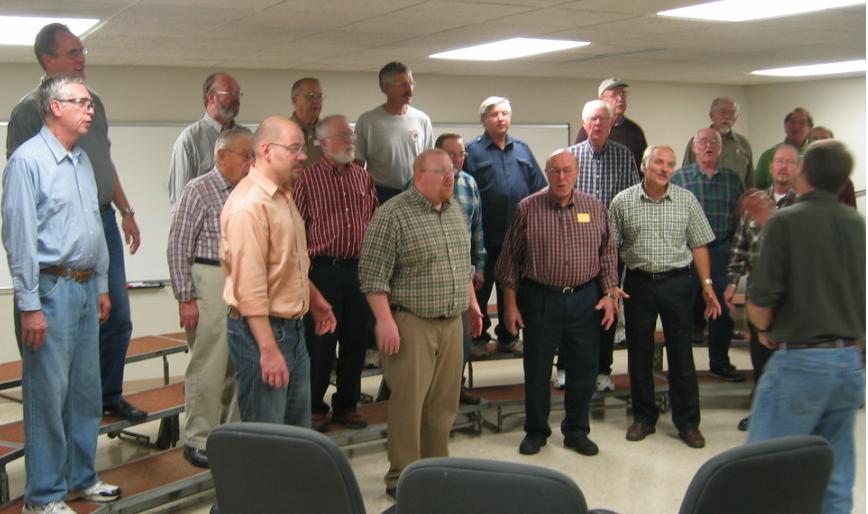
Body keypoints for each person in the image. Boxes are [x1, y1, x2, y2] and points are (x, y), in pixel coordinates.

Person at [6, 22, 146, 422]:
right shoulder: (27, 111)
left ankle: (108, 395)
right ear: (48, 60)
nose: (81, 58)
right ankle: (66, 410)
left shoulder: (93, 102)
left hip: (100, 220)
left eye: (82, 51)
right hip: (59, 230)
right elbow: (27, 181)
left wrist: (127, 210)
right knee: (54, 334)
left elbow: (103, 160)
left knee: (117, 316)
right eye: (72, 52)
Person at [3, 74, 120, 514]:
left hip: (87, 286)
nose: (90, 110)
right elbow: (18, 238)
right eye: (82, 103)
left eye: (90, 103)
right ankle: (44, 495)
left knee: (85, 393)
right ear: (55, 107)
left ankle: (81, 478)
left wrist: (104, 285)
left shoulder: (82, 160)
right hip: (50, 290)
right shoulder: (27, 161)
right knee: (48, 397)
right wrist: (29, 305)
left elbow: (94, 224)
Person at [747, 139, 865, 514]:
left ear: (804, 171)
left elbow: (761, 304)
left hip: (801, 365)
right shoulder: (856, 222)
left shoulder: (786, 221)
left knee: (763, 468)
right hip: (850, 364)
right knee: (835, 469)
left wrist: (765, 329)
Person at [358, 149, 483, 499]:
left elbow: (464, 265)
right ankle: (402, 476)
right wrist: (384, 321)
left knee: (443, 405)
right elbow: (371, 276)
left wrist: (472, 306)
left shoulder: (455, 211)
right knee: (408, 404)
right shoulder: (392, 215)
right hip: (410, 323)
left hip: (452, 322)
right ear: (419, 176)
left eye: (452, 171)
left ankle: (435, 469)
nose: (450, 177)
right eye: (441, 171)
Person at [496, 149, 619, 458]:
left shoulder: (595, 207)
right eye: (555, 171)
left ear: (576, 173)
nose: (562, 177)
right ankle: (536, 431)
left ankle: (577, 431)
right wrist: (510, 306)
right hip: (540, 298)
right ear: (547, 174)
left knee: (583, 369)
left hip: (584, 300)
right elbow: (509, 263)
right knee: (537, 369)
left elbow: (607, 256)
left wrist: (609, 294)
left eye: (567, 171)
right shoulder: (528, 208)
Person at [220, 116, 336, 425]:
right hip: (262, 333)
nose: (303, 156)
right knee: (267, 440)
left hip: (292, 330)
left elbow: (287, 262)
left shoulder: (282, 196)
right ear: (267, 150)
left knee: (298, 434)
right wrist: (268, 350)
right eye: (295, 148)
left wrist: (315, 299)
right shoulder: (250, 206)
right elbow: (250, 287)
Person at [609, 145, 721, 449]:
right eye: (659, 162)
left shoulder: (686, 200)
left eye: (670, 164)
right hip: (639, 284)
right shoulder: (622, 202)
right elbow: (611, 249)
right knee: (640, 354)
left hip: (677, 283)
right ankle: (645, 417)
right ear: (645, 165)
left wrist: (707, 284)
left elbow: (699, 244)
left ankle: (688, 423)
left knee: (682, 354)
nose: (665, 168)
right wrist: (610, 286)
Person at [167, 126, 253, 468]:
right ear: (221, 156)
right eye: (245, 156)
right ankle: (198, 438)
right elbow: (177, 246)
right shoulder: (198, 190)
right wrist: (185, 298)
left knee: (239, 362)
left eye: (253, 156)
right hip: (209, 278)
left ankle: (231, 434)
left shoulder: (250, 191)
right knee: (209, 363)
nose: (250, 163)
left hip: (244, 279)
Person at [292, 115, 378, 431]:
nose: (350, 140)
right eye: (343, 135)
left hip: (358, 271)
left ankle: (347, 405)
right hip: (322, 272)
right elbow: (295, 230)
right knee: (321, 345)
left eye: (351, 135)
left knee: (356, 342)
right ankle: (314, 407)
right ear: (323, 142)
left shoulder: (362, 178)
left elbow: (373, 221)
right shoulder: (306, 180)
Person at [464, 96, 547, 357]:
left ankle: (509, 336)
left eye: (504, 114)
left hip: (517, 237)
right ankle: (478, 339)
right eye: (494, 114)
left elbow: (539, 188)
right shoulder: (472, 151)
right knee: (480, 289)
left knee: (511, 291)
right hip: (485, 237)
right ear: (483, 120)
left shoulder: (522, 149)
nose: (500, 119)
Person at [567, 99, 640, 392]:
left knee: (610, 306)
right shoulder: (570, 158)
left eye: (603, 120)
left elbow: (634, 198)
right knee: (574, 311)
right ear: (584, 124)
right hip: (576, 247)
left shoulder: (624, 157)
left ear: (611, 124)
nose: (597, 124)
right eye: (592, 120)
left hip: (613, 247)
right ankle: (566, 368)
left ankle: (602, 371)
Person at [724, 144, 798, 432]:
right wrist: (731, 282)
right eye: (779, 161)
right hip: (758, 292)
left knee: (789, 356)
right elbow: (739, 248)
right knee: (760, 355)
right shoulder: (754, 202)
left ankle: (788, 416)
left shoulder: (802, 205)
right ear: (770, 167)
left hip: (792, 296)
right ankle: (761, 411)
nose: (783, 167)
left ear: (797, 169)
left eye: (789, 163)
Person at [672, 128, 744, 382]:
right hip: (688, 252)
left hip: (721, 250)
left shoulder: (733, 180)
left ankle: (720, 362)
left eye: (713, 142)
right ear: (694, 148)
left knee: (722, 309)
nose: (708, 146)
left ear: (720, 148)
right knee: (684, 309)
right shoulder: (679, 178)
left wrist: (737, 254)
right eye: (702, 142)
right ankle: (682, 368)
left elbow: (740, 219)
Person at [435, 132, 485, 403]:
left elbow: (477, 229)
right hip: (433, 278)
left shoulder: (469, 184)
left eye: (461, 154)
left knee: (462, 341)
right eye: (451, 154)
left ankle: (456, 387)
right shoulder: (418, 184)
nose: (457, 160)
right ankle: (435, 394)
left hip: (462, 274)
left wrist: (479, 265)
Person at [354, 61, 433, 205]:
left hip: (415, 192)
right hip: (381, 194)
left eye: (411, 83)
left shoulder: (422, 119)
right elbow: (357, 165)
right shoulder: (368, 121)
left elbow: (429, 162)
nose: (409, 89)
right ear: (386, 88)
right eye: (403, 85)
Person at [168, 72, 242, 204]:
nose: (236, 98)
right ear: (211, 97)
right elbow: (181, 201)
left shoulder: (245, 136)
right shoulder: (190, 139)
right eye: (230, 93)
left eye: (238, 93)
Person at [575, 78, 647, 170]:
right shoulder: (590, 129)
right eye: (614, 95)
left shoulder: (635, 131)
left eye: (623, 94)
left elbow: (644, 167)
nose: (620, 99)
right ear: (601, 100)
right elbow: (577, 163)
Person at [682, 97, 754, 187]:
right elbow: (685, 176)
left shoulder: (743, 143)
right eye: (722, 112)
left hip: (736, 198)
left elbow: (750, 182)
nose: (727, 117)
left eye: (732, 113)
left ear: (736, 118)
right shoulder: (697, 142)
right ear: (711, 115)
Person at [754, 107, 812, 189]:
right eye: (792, 121)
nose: (796, 126)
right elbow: (757, 188)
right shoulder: (768, 155)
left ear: (810, 129)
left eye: (802, 123)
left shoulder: (817, 155)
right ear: (785, 125)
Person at [806, 126, 856, 207]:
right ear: (808, 144)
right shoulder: (799, 179)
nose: (819, 142)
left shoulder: (844, 182)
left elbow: (852, 213)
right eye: (815, 139)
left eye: (824, 138)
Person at [289, 77, 324, 167]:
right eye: (311, 96)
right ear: (294, 99)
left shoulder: (329, 131)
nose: (316, 101)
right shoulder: (284, 131)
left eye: (319, 96)